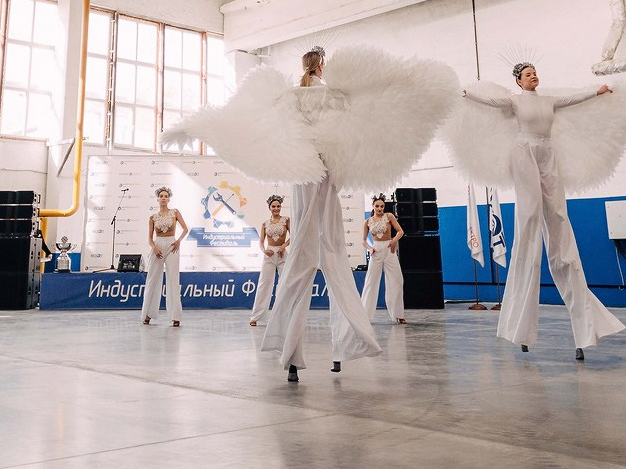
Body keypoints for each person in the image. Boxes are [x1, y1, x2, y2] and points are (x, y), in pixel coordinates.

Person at [161, 43, 458, 381]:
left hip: (305, 175)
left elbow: (245, 119)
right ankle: (340, 350)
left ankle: (293, 355)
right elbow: (367, 117)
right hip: (324, 173)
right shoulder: (335, 96)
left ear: (303, 66)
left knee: (303, 259)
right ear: (323, 66)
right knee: (331, 254)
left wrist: (200, 126)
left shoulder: (288, 97)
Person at [463, 63, 626, 359]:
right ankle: (520, 326)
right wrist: (466, 93)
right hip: (523, 151)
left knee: (558, 218)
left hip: (546, 152)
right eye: (527, 74)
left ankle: (584, 327)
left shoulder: (548, 99)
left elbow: (574, 98)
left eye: (535, 72)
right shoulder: (514, 101)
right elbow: (491, 101)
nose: (534, 76)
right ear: (518, 81)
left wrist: (597, 91)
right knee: (528, 220)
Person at [261, 48, 385, 382]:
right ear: (321, 65)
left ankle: (310, 352)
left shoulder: (302, 95)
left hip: (313, 170)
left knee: (314, 253)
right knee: (322, 253)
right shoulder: (325, 95)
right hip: (316, 168)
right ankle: (328, 350)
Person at [141, 187, 188, 327]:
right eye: (161, 196)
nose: (163, 198)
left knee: (173, 278)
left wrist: (178, 241)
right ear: (157, 199)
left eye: (165, 196)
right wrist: (154, 247)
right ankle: (147, 314)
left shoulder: (175, 213)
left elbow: (186, 229)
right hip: (158, 245)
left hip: (172, 245)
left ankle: (175, 316)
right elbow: (149, 238)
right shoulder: (152, 217)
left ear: (168, 198)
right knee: (152, 278)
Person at [360, 194, 406, 324]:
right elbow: (363, 240)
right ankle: (365, 315)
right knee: (371, 282)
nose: (380, 208)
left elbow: (400, 231)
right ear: (373, 207)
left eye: (382, 206)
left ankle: (398, 315)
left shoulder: (389, 216)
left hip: (389, 249)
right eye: (377, 206)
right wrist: (370, 249)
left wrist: (393, 241)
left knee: (397, 280)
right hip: (376, 251)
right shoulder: (367, 222)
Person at [249, 195, 290, 327]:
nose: (276, 208)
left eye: (278, 206)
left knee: (285, 284)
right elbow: (261, 242)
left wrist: (284, 246)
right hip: (270, 254)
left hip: (283, 254)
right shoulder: (265, 224)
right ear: (269, 208)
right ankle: (255, 316)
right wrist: (264, 251)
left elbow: (294, 235)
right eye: (274, 206)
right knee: (264, 284)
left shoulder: (286, 220)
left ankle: (284, 316)